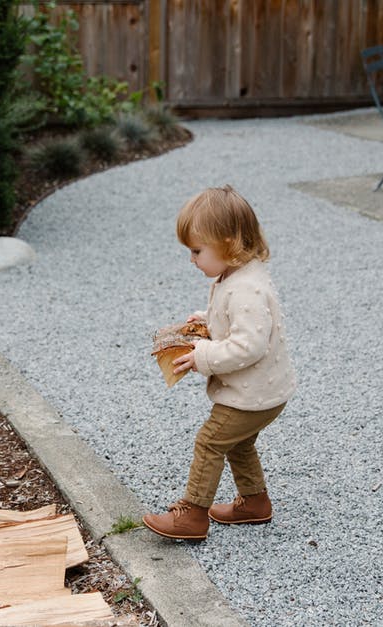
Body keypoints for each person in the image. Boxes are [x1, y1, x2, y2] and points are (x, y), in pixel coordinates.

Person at [143, 185, 297, 541]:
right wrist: (207, 322)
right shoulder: (233, 275)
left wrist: (202, 357)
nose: (192, 259)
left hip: (253, 393)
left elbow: (248, 346)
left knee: (211, 441)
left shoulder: (246, 288)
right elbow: (235, 322)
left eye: (197, 250)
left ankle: (192, 515)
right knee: (239, 442)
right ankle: (255, 503)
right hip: (265, 388)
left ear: (228, 243)